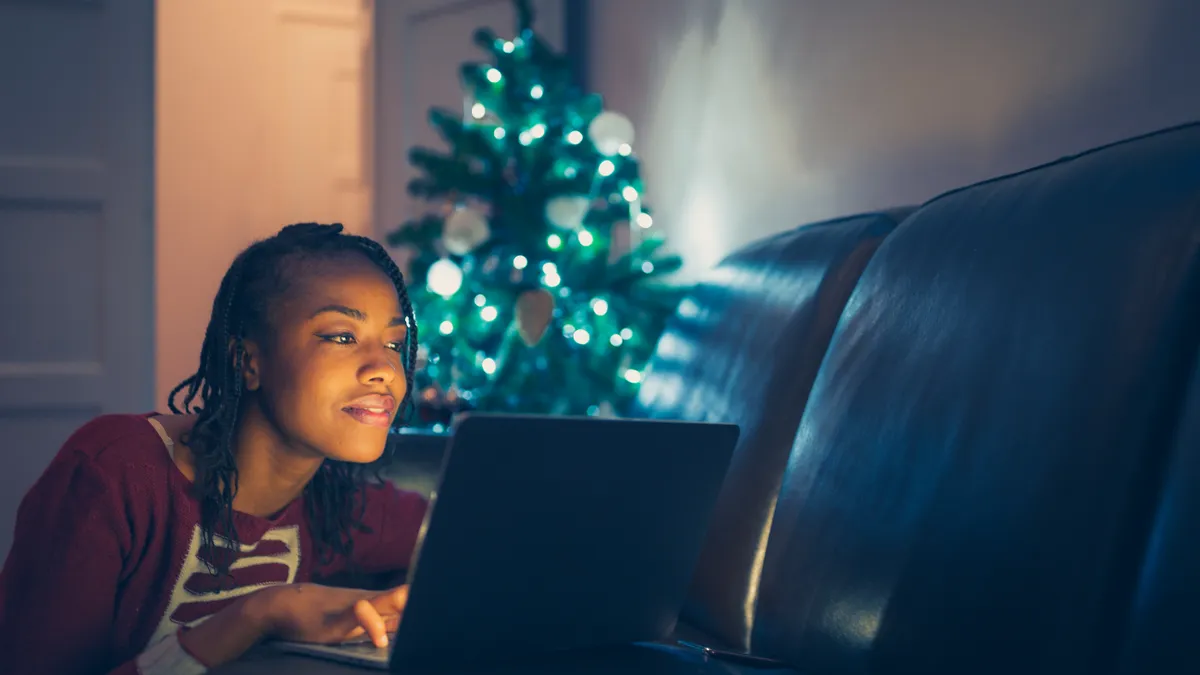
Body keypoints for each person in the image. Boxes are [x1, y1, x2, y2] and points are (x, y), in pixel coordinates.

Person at [0, 223, 429, 674]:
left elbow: (473, 539)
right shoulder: (113, 474)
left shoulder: (337, 505)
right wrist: (259, 613)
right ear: (247, 360)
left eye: (394, 343)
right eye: (341, 336)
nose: (384, 369)